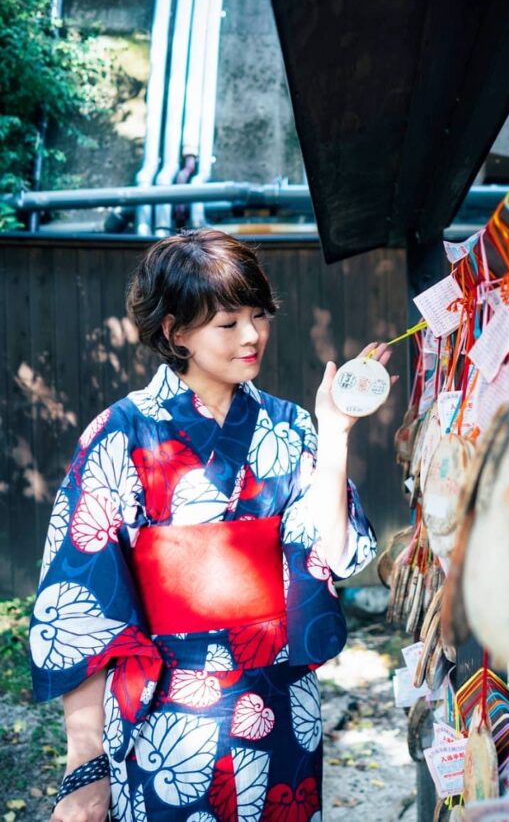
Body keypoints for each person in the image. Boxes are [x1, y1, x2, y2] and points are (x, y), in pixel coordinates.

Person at [30, 229, 390, 821]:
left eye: (257, 315)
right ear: (176, 332)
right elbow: (82, 612)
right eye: (228, 323)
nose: (252, 335)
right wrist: (85, 759)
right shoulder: (121, 434)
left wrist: (336, 435)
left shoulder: (292, 426)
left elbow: (337, 552)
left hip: (279, 705)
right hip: (164, 717)